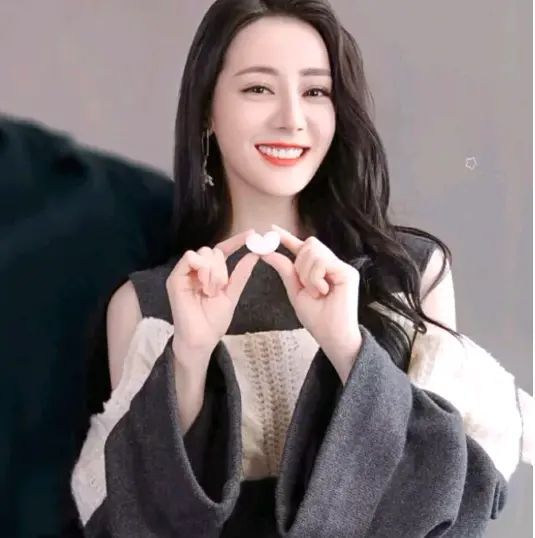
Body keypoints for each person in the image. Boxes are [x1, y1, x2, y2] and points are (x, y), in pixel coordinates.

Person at [70, 0, 521, 535]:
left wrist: (348, 349)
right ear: (207, 110)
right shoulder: (145, 306)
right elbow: (135, 523)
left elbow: (452, 504)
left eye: (315, 92)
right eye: (259, 88)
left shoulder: (410, 276)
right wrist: (188, 358)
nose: (291, 119)